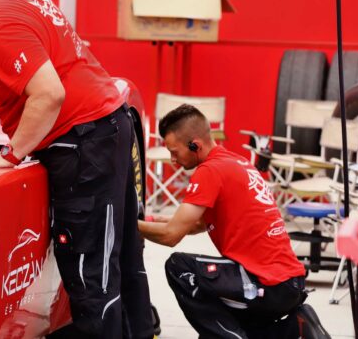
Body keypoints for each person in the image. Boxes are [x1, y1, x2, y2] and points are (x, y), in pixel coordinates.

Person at [0, 0, 154, 339]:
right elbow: (34, 37)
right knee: (121, 257)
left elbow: (48, 94)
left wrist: (10, 154)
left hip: (82, 143)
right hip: (105, 124)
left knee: (90, 271)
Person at [137, 104, 331, 339]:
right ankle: (296, 327)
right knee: (223, 324)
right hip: (288, 284)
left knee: (180, 267)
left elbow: (171, 236)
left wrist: (122, 221)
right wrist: (157, 220)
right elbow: (197, 224)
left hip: (264, 283)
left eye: (175, 152)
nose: (173, 160)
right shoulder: (238, 163)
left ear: (195, 145)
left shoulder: (209, 171)